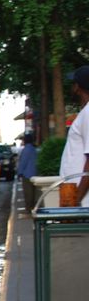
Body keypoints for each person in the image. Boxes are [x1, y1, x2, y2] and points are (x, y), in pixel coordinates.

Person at [60, 65, 89, 206]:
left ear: (78, 87)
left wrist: (76, 200)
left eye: (74, 83)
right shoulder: (85, 113)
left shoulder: (88, 113)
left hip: (82, 202)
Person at [16, 132, 38, 212]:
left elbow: (23, 163)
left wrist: (19, 173)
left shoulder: (26, 150)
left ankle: (29, 208)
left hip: (27, 174)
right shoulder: (34, 149)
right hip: (34, 173)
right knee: (33, 192)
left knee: (28, 192)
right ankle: (32, 207)